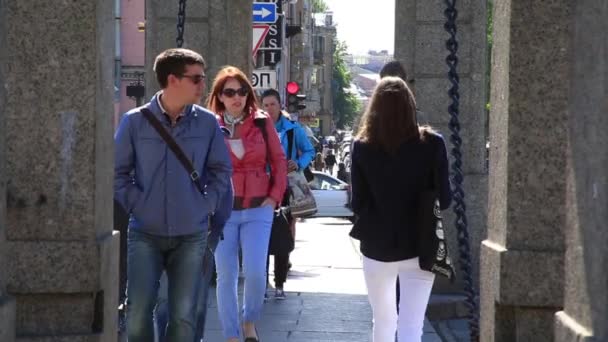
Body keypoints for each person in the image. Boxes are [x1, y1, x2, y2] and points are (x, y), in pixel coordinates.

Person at [114, 48, 233, 342]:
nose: (203, 86)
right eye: (196, 79)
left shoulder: (207, 123)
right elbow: (117, 173)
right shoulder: (134, 121)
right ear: (172, 80)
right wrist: (138, 205)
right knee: (138, 310)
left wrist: (205, 204)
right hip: (145, 232)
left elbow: (221, 171)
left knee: (183, 314)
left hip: (191, 233)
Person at [349, 77, 452, 342]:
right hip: (421, 245)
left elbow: (358, 202)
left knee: (383, 321)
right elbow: (446, 199)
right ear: (410, 105)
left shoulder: (362, 146)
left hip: (377, 246)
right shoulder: (433, 144)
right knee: (412, 325)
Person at [207, 66, 287, 342]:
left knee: (255, 273)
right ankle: (231, 335)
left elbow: (278, 162)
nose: (236, 97)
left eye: (242, 91)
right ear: (219, 96)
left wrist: (274, 197)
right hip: (224, 211)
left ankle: (248, 320)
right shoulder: (210, 125)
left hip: (258, 209)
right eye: (229, 92)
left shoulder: (262, 122)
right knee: (225, 276)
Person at [261, 88, 315, 299]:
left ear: (280, 105)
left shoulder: (293, 130)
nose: (269, 109)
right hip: (262, 188)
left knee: (282, 236)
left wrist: (298, 163)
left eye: (272, 104)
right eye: (265, 105)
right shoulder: (257, 129)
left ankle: (280, 282)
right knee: (261, 236)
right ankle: (263, 283)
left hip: (285, 189)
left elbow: (310, 150)